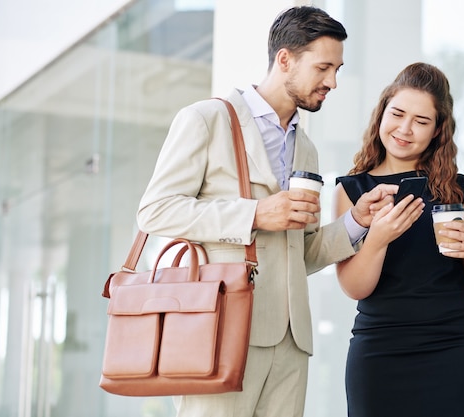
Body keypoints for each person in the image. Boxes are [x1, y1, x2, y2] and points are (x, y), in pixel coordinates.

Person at [136, 6, 392, 417]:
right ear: (285, 59)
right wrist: (254, 214)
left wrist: (355, 221)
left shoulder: (305, 146)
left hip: (291, 344)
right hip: (219, 332)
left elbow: (300, 253)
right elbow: (155, 210)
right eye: (324, 67)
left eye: (338, 69)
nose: (333, 82)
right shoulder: (207, 119)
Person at [332, 62, 464, 417]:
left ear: (438, 131)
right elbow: (354, 286)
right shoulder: (352, 191)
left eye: (421, 121)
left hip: (457, 350)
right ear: (381, 113)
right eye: (397, 114)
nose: (405, 129)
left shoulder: (459, 188)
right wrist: (379, 238)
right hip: (379, 353)